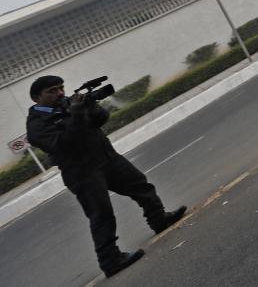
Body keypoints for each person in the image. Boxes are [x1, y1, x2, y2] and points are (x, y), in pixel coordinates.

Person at [26, 75, 187, 277]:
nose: (59, 93)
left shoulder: (68, 104)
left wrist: (90, 106)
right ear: (36, 98)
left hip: (107, 158)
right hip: (82, 172)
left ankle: (159, 220)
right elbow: (64, 144)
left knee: (141, 187)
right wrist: (76, 114)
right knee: (101, 214)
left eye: (61, 88)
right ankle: (110, 261)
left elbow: (100, 119)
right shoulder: (36, 125)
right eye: (52, 91)